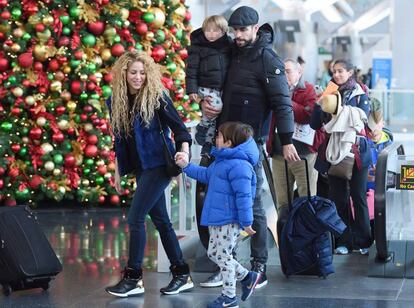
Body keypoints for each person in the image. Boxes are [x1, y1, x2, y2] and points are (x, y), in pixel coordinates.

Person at [201, 6, 299, 288]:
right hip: (223, 139)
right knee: (222, 200)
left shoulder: (268, 59)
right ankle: (227, 265)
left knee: (251, 202)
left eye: (243, 30)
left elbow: (282, 103)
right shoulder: (232, 52)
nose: (238, 35)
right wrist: (205, 105)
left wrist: (287, 140)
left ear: (256, 28)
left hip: (249, 144)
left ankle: (258, 268)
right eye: (235, 30)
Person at [105, 51, 194, 297]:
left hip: (158, 166)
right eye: (133, 72)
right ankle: (182, 274)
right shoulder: (116, 102)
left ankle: (133, 277)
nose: (138, 77)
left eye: (142, 73)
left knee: (135, 219)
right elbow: (120, 141)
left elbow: (181, 130)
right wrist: (117, 172)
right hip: (141, 169)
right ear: (124, 73)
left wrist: (184, 153)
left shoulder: (157, 98)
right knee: (162, 222)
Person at [175, 122, 261, 308]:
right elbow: (205, 175)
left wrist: (246, 222)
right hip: (218, 217)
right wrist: (186, 166)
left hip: (229, 220)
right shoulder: (222, 161)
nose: (216, 139)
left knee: (223, 256)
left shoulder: (240, 166)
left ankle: (229, 297)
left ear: (229, 142)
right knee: (215, 253)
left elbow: (244, 196)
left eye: (219, 136)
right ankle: (247, 277)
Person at [310, 59, 372, 256]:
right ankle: (343, 240)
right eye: (334, 71)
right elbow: (314, 124)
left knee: (358, 196)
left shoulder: (360, 93)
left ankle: (363, 240)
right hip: (335, 152)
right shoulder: (328, 93)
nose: (336, 75)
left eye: (340, 71)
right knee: (339, 199)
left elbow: (362, 117)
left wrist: (339, 110)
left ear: (350, 72)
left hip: (356, 151)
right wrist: (320, 104)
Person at [267, 58, 320, 213]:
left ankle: (306, 235)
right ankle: (284, 234)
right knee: (283, 202)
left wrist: (285, 100)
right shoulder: (273, 91)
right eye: (281, 72)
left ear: (299, 72)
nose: (284, 75)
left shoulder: (309, 90)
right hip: (278, 154)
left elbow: (307, 116)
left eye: (288, 71)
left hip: (303, 155)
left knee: (307, 199)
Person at [185, 15, 232, 151]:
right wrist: (192, 90)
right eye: (208, 30)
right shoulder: (198, 47)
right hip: (205, 87)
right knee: (215, 108)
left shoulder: (228, 46)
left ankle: (208, 137)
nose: (211, 34)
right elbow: (191, 70)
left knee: (216, 117)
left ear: (223, 32)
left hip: (221, 88)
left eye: (215, 31)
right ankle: (203, 128)